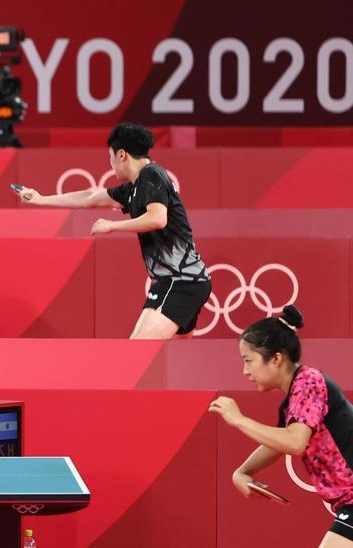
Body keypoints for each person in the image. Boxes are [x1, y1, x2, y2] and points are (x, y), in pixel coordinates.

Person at [18, 123, 210, 339]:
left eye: (109, 156)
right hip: (190, 280)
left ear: (121, 154)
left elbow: (158, 218)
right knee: (175, 357)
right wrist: (41, 199)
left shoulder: (152, 175)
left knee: (136, 353)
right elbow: (90, 197)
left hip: (179, 280)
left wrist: (111, 225)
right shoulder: (135, 187)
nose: (110, 163)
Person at [209, 306, 353, 547]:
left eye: (249, 361)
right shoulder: (295, 395)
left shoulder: (309, 381)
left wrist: (239, 419)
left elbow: (294, 442)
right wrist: (243, 472)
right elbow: (278, 444)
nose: (245, 371)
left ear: (275, 359)